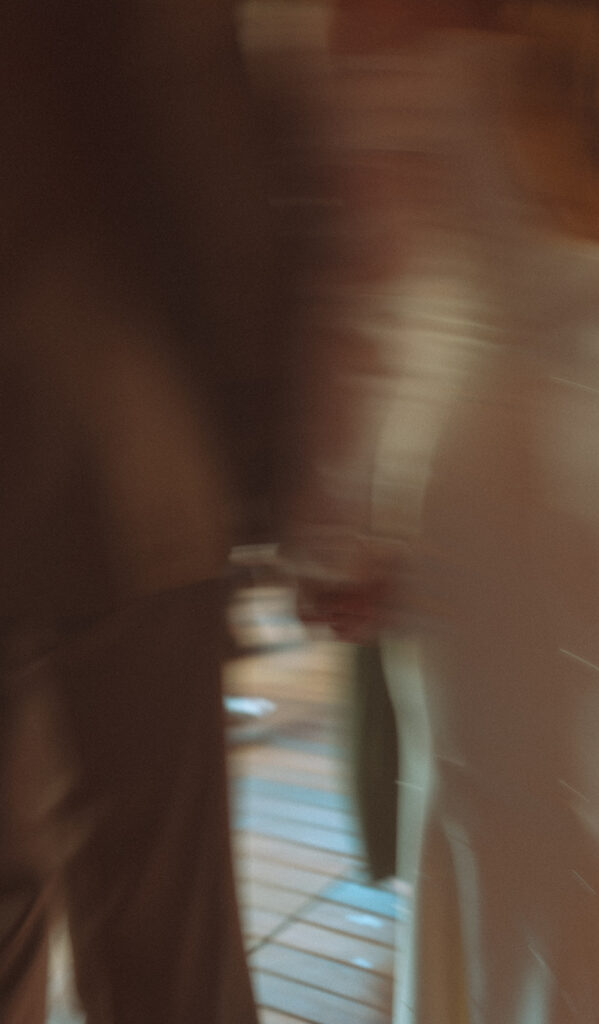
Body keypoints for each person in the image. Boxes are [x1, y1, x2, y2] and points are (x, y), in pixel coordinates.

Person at [402, 1, 599, 1020]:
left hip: (498, 466)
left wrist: (339, 514)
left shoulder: (438, 48)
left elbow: (401, 298)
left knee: (518, 802)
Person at [0, 2, 274, 1021]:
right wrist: (254, 452)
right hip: (107, 453)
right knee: (163, 928)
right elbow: (203, 155)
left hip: (91, 457)